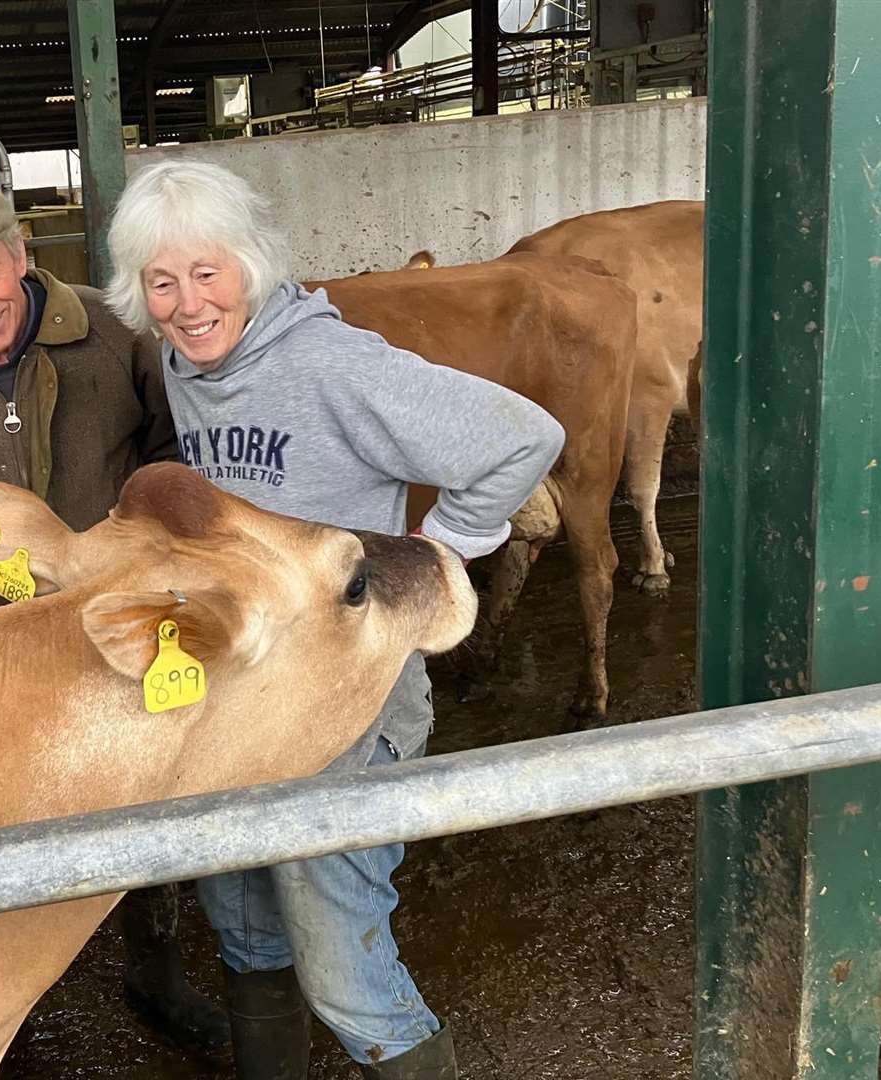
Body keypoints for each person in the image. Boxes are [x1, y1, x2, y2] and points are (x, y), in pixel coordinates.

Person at [105, 160, 566, 1080]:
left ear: (252, 264)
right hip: (239, 699)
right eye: (163, 281)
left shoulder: (330, 364)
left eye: (208, 272)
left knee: (341, 965)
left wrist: (438, 556)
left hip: (348, 703)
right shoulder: (186, 361)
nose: (188, 303)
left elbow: (525, 437)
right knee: (241, 919)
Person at [0, 177, 229, 1055]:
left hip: (121, 612)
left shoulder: (111, 333)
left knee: (140, 788)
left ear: (23, 255)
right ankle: (10, 999)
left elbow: (167, 452)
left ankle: (154, 967)